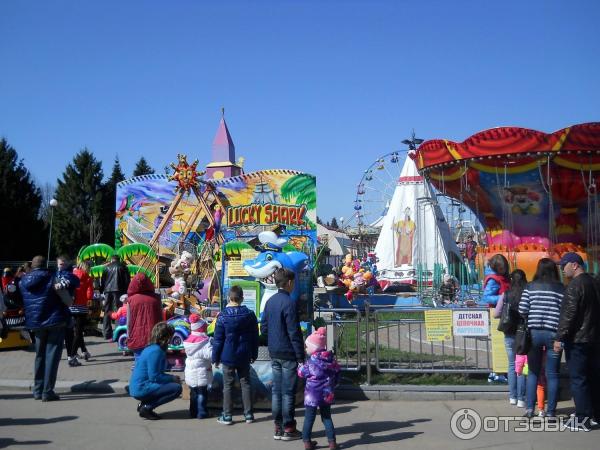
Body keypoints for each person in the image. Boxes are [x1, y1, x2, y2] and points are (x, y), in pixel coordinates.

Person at [19, 255, 79, 401]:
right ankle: (47, 391)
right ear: (46, 264)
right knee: (52, 356)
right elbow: (68, 301)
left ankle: (37, 390)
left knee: (39, 356)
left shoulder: (23, 281)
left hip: (36, 323)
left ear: (32, 266)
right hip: (55, 321)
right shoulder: (52, 277)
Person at [554, 252, 600, 424]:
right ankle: (595, 415)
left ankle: (583, 418)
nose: (561, 269)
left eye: (563, 265)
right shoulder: (594, 283)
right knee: (594, 378)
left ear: (574, 265)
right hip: (595, 338)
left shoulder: (574, 286)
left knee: (578, 380)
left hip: (578, 340)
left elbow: (569, 315)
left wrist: (560, 337)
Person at [261, 268, 305, 441]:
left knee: (276, 391)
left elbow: (264, 327)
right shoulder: (289, 303)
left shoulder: (270, 302)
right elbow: (294, 333)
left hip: (274, 351)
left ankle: (278, 428)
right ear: (289, 283)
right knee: (287, 393)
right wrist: (300, 356)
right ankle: (289, 428)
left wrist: (273, 338)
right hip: (288, 353)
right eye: (293, 282)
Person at [518, 258, 565, 418]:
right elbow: (565, 312)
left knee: (533, 372)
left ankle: (529, 409)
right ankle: (551, 412)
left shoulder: (530, 287)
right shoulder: (561, 289)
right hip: (554, 334)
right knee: (552, 374)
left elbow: (522, 309)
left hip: (534, 334)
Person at [212, 285, 259, 425]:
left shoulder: (222, 316)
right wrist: (254, 354)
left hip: (228, 355)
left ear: (228, 298)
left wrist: (215, 357)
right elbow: (254, 337)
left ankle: (227, 415)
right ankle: (249, 415)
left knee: (228, 385)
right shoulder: (250, 315)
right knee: (246, 383)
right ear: (242, 298)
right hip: (244, 354)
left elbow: (218, 340)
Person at [298, 327, 341, 450]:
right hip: (327, 392)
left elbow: (301, 373)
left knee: (309, 418)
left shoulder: (310, 362)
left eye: (307, 346)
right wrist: (335, 383)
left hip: (312, 394)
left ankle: (307, 442)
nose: (306, 349)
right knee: (326, 417)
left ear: (313, 347)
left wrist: (299, 366)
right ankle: (332, 443)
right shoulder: (331, 360)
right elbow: (338, 371)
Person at [129, 322, 182, 420]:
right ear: (166, 337)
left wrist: (171, 378)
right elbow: (154, 376)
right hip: (141, 387)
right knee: (176, 388)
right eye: (171, 336)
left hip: (139, 386)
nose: (172, 339)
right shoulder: (156, 351)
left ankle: (144, 404)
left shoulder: (152, 348)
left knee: (172, 385)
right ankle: (147, 407)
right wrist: (172, 378)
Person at [494, 269, 527, 408]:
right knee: (522, 367)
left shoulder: (505, 294)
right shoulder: (527, 294)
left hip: (509, 333)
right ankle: (521, 398)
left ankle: (512, 397)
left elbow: (496, 314)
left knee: (512, 365)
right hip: (523, 333)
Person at [126, 273, 163, 364]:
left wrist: (128, 335)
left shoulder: (130, 300)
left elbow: (128, 321)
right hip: (154, 336)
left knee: (139, 363)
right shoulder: (156, 298)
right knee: (154, 363)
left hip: (136, 336)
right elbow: (161, 317)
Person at [183, 314, 213, 419]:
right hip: (202, 372)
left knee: (193, 393)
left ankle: (193, 412)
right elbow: (210, 355)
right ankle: (202, 412)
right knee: (202, 394)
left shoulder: (188, 341)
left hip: (190, 371)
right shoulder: (204, 342)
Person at [55, 256, 80, 367]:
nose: (63, 266)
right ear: (57, 264)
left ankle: (71, 357)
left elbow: (70, 281)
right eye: (61, 264)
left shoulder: (69, 275)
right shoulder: (54, 275)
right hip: (56, 311)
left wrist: (60, 285)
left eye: (64, 264)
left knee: (69, 334)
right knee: (60, 336)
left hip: (65, 309)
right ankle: (67, 357)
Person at [100, 255, 130, 339]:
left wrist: (101, 290)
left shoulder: (106, 268)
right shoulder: (123, 267)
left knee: (107, 311)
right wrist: (127, 291)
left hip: (107, 291)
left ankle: (106, 333)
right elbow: (127, 280)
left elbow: (103, 281)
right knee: (118, 311)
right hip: (119, 290)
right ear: (119, 260)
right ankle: (117, 332)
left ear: (111, 260)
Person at [71, 259, 94, 362]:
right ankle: (72, 354)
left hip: (70, 307)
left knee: (77, 331)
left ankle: (84, 351)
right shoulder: (88, 278)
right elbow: (89, 295)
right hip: (81, 308)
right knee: (79, 332)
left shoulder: (72, 274)